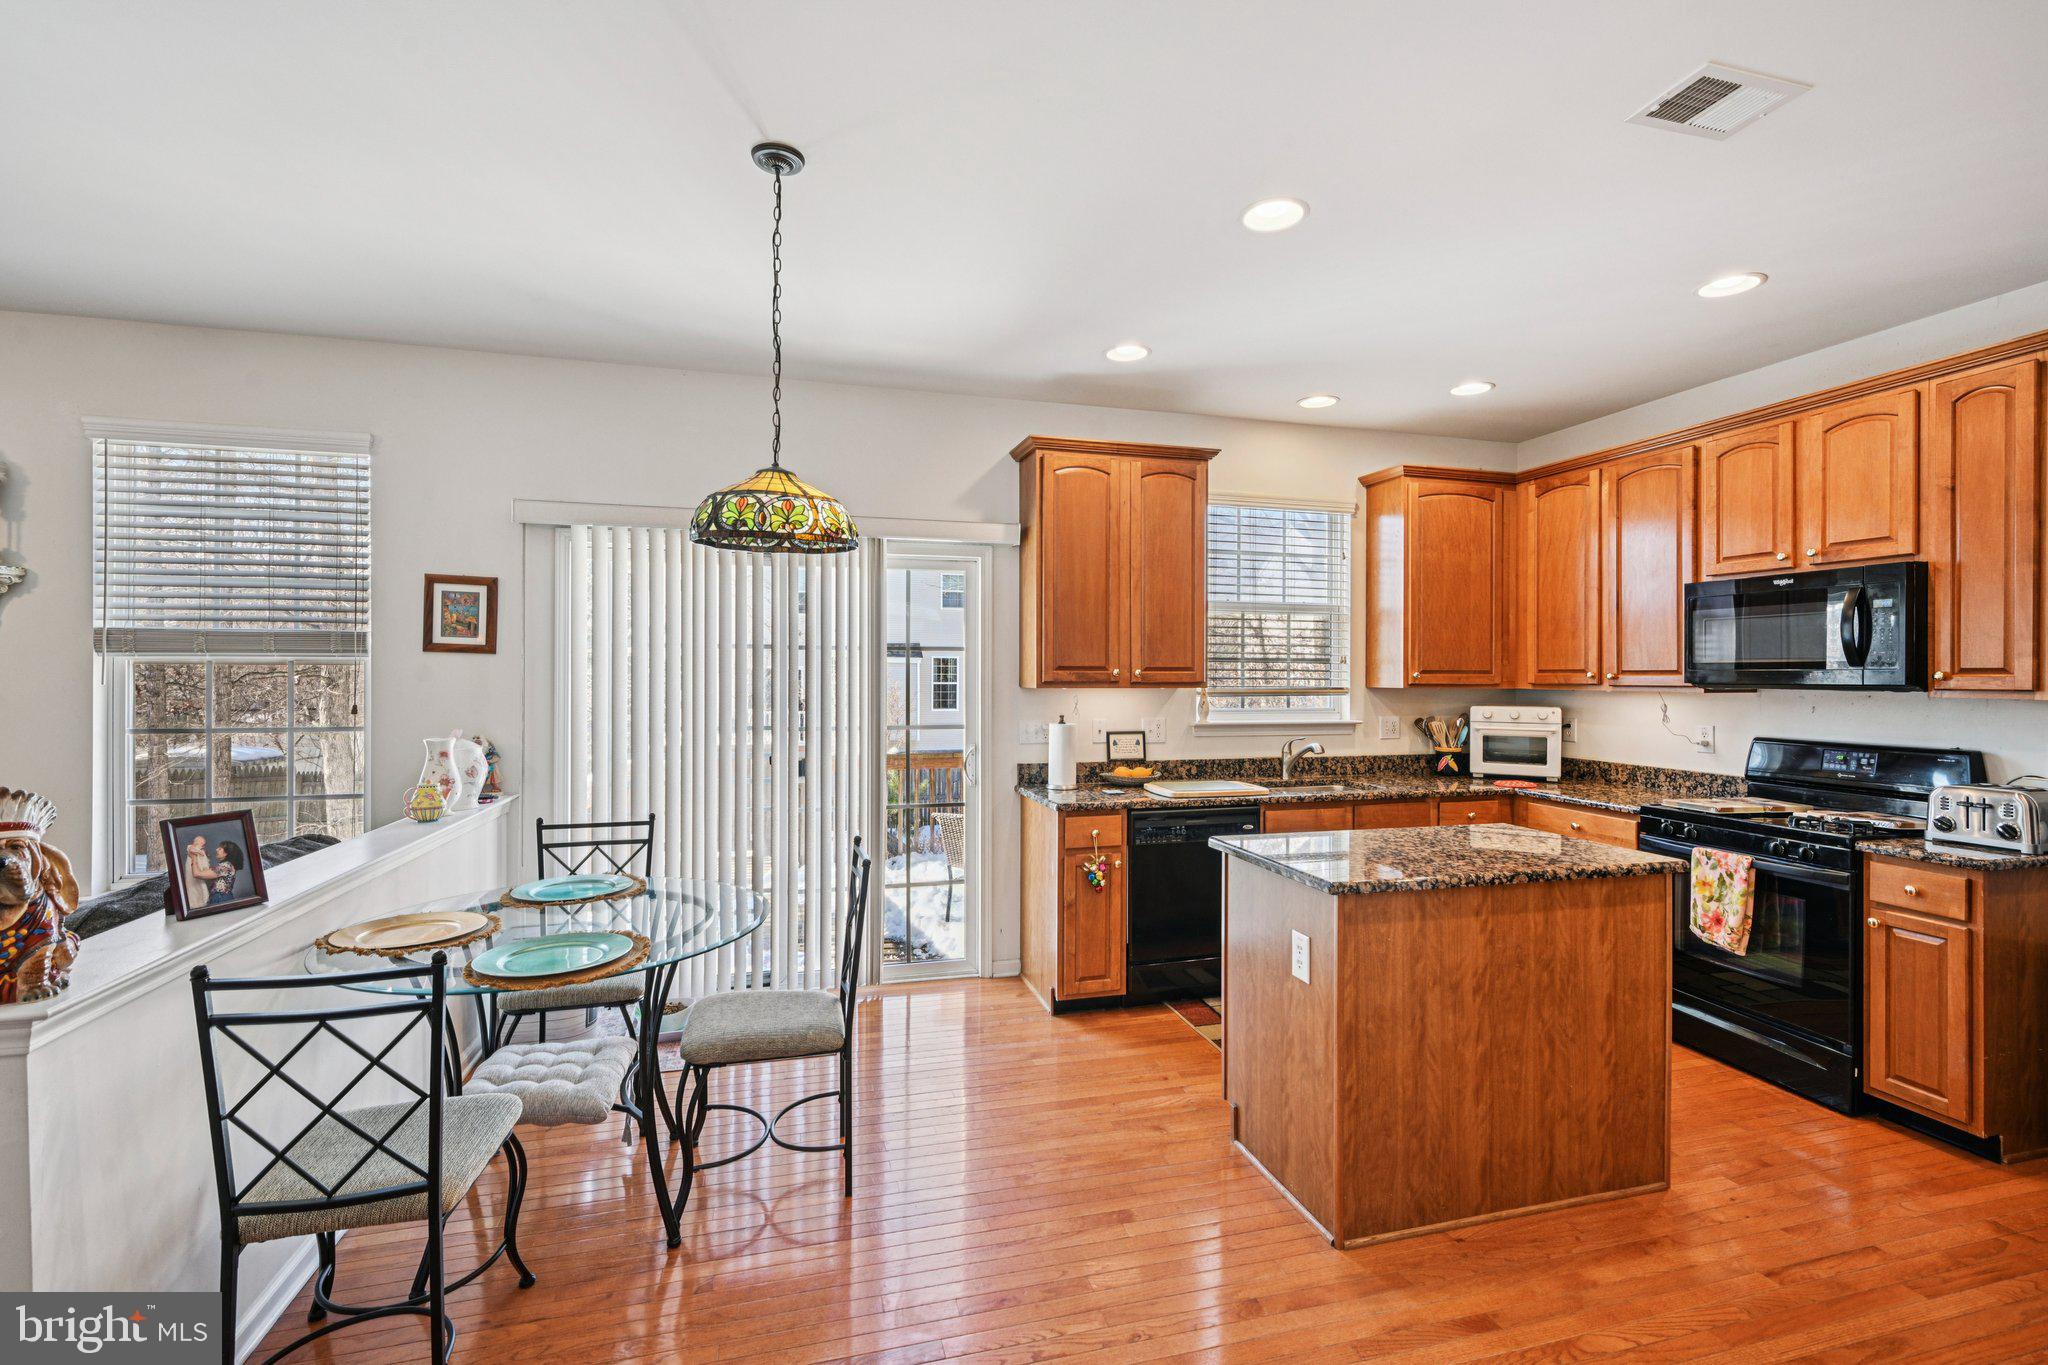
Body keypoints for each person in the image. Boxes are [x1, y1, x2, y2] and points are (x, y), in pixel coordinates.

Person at [208, 841, 246, 906]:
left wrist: (193, 858)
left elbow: (197, 874)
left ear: (226, 853)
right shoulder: (225, 865)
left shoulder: (226, 866)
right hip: (222, 897)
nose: (216, 849)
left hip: (220, 898)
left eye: (220, 849)